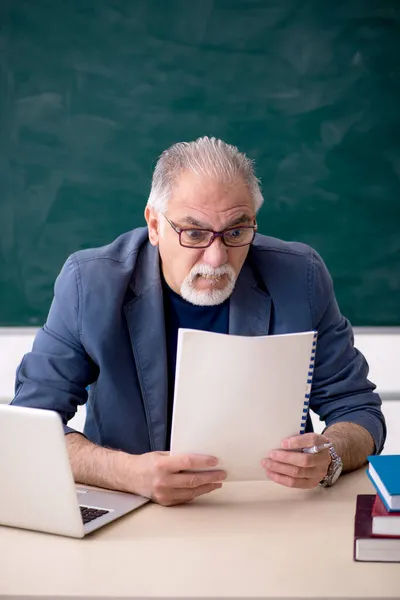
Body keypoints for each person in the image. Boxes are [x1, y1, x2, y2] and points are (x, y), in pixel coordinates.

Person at [12, 137, 386, 506]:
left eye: (237, 232)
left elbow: (358, 410)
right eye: (194, 233)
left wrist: (331, 454)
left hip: (269, 509)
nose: (216, 258)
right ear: (155, 225)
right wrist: (127, 473)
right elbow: (28, 428)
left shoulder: (300, 276)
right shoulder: (88, 284)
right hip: (133, 513)